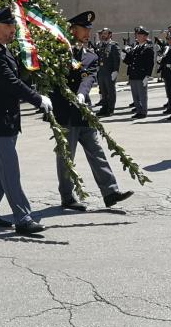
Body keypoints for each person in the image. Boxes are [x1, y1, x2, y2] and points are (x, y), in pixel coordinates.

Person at [0, 7, 53, 236]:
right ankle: (23, 217)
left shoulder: (2, 50)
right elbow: (11, 83)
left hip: (5, 120)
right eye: (9, 26)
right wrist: (37, 99)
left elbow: (17, 78)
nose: (13, 30)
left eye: (13, 26)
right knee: (10, 169)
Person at [50, 11, 133, 211]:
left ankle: (110, 191)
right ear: (72, 30)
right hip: (64, 112)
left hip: (83, 111)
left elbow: (88, 78)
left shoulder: (90, 56)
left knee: (96, 151)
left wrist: (81, 94)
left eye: (89, 29)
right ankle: (67, 196)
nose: (88, 32)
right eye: (83, 29)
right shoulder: (58, 52)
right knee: (66, 156)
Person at [123, 26, 154, 119]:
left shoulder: (148, 48)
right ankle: (138, 110)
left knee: (142, 95)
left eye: (140, 35)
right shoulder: (135, 47)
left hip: (141, 75)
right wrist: (124, 56)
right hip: (133, 74)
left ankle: (143, 112)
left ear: (145, 37)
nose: (138, 36)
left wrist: (147, 76)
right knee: (135, 95)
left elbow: (150, 63)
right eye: (137, 35)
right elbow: (130, 61)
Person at [95, 28, 120, 116]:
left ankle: (110, 109)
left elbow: (116, 59)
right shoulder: (101, 45)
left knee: (110, 91)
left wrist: (116, 70)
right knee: (103, 91)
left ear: (110, 35)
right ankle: (104, 108)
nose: (103, 35)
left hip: (110, 72)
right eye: (102, 34)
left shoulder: (113, 45)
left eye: (105, 33)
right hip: (102, 71)